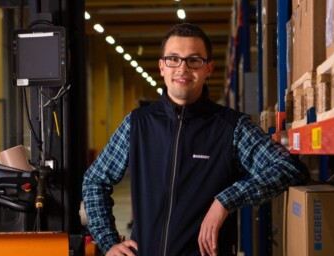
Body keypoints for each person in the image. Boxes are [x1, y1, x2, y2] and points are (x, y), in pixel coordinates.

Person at [82, 23, 308, 256]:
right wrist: (109, 242)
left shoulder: (232, 128)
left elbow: (288, 168)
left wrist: (225, 201)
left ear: (208, 68)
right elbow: (95, 180)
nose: (182, 68)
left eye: (194, 60)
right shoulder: (137, 125)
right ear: (162, 67)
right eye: (173, 59)